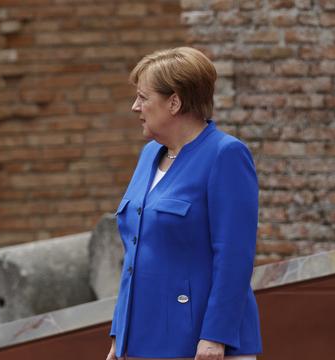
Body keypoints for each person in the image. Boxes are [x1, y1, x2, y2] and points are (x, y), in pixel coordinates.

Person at [105, 47, 262, 360]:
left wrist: (215, 336)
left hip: (204, 344)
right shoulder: (149, 154)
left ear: (174, 102)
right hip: (145, 339)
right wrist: (119, 337)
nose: (135, 107)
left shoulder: (226, 155)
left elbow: (234, 255)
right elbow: (135, 256)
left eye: (143, 97)